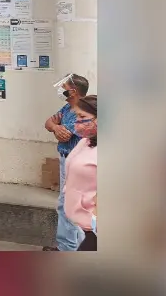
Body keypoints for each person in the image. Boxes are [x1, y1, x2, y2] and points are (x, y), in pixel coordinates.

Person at [43, 73, 91, 251]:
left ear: (74, 91)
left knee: (68, 205)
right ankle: (75, 245)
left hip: (75, 162)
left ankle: (67, 248)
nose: (61, 91)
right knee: (68, 203)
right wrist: (55, 127)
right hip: (65, 160)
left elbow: (66, 135)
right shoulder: (66, 108)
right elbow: (49, 123)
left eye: (64, 88)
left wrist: (58, 129)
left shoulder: (83, 111)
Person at [63, 94, 97, 251]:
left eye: (82, 116)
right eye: (76, 115)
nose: (76, 121)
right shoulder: (86, 141)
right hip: (85, 225)